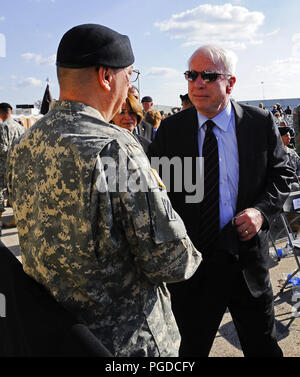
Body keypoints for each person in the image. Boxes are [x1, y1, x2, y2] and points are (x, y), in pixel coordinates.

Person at [6, 23, 201, 357]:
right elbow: (172, 261)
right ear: (106, 77)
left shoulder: (24, 145)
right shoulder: (114, 147)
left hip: (56, 336)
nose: (129, 87)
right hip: (126, 344)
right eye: (130, 76)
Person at [149, 44, 294, 357]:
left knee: (262, 347)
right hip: (192, 267)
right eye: (191, 75)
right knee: (187, 350)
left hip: (246, 262)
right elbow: (155, 191)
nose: (197, 83)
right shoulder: (172, 131)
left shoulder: (259, 123)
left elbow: (283, 178)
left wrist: (260, 212)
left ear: (230, 82)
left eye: (208, 76)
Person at [0, 102, 25, 231]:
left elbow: (3, 148)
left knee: (0, 190)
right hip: (18, 164)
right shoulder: (20, 127)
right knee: (15, 191)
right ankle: (16, 218)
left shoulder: (3, 127)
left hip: (4, 164)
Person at [279, 126, 300, 191]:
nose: (289, 138)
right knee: (295, 187)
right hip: (283, 185)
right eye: (286, 136)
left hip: (295, 181)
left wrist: (298, 176)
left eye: (289, 135)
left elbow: (299, 166)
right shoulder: (275, 153)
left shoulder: (292, 152)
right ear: (279, 137)